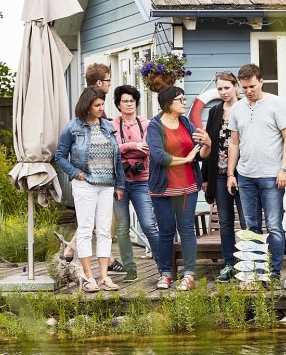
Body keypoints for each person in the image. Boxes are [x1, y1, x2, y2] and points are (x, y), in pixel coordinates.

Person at [227, 64, 286, 282]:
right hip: (245, 176)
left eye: (252, 86)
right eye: (244, 87)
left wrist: (285, 168)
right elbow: (234, 143)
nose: (248, 91)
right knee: (251, 228)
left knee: (274, 226)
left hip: (272, 176)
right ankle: (256, 272)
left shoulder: (276, 103)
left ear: (261, 81)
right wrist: (231, 174)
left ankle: (273, 273)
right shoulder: (237, 108)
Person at [55, 86, 125, 292]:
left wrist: (120, 184)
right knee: (85, 230)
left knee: (104, 232)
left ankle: (104, 277)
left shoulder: (108, 126)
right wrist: (77, 174)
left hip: (106, 185)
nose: (102, 108)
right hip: (85, 184)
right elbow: (60, 156)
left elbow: (117, 157)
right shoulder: (73, 127)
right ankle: (88, 277)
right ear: (87, 106)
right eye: (97, 105)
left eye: (103, 104)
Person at [147, 86, 210, 291]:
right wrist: (186, 159)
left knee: (186, 230)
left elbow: (199, 149)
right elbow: (158, 156)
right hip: (162, 188)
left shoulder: (185, 122)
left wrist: (205, 144)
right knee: (166, 231)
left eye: (184, 98)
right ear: (168, 103)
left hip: (187, 187)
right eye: (180, 99)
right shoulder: (155, 126)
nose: (184, 102)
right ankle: (166, 274)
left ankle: (189, 275)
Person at [112, 85, 161, 283]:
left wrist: (127, 150)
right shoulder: (112, 124)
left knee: (149, 225)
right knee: (122, 228)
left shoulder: (146, 124)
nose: (129, 104)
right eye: (125, 101)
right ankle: (130, 269)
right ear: (118, 104)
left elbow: (149, 149)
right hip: (120, 183)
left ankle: (163, 265)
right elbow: (113, 150)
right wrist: (133, 146)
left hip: (142, 182)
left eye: (132, 101)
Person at [201, 72, 246, 283]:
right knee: (225, 222)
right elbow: (208, 143)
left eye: (227, 87)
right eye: (220, 88)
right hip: (219, 174)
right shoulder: (215, 111)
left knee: (247, 220)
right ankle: (229, 264)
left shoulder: (246, 108)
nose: (223, 92)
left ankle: (249, 263)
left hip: (243, 173)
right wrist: (205, 177)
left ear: (235, 86)